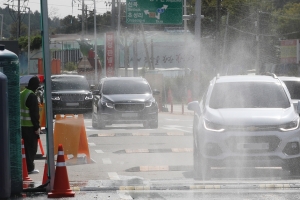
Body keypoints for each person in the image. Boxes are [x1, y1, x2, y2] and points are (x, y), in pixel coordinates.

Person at [20, 76, 41, 174]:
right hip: (30, 127)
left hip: (21, 126)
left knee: (24, 149)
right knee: (31, 149)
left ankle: (25, 167)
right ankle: (30, 168)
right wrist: (37, 127)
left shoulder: (22, 93)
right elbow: (34, 114)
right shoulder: (32, 96)